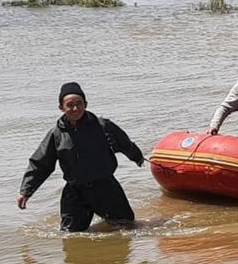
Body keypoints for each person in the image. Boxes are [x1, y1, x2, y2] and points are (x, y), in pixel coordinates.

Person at [18, 82, 145, 232]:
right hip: (75, 192)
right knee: (70, 235)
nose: (75, 108)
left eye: (79, 104)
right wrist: (26, 191)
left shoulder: (103, 126)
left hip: (106, 188)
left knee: (126, 227)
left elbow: (124, 143)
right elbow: (41, 163)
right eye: (70, 105)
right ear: (61, 107)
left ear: (86, 104)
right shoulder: (56, 134)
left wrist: (137, 158)